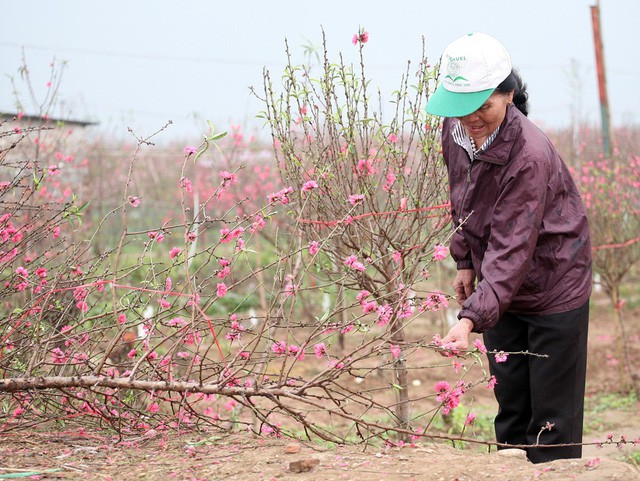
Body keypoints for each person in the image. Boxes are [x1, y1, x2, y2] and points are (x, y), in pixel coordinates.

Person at [425, 32, 592, 464]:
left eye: (485, 105)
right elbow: (463, 197)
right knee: (512, 410)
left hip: (554, 283)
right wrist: (463, 258)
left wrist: (469, 320)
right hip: (500, 289)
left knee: (552, 422)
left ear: (509, 96)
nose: (472, 117)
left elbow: (512, 247)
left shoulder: (529, 155)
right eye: (463, 106)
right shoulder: (455, 128)